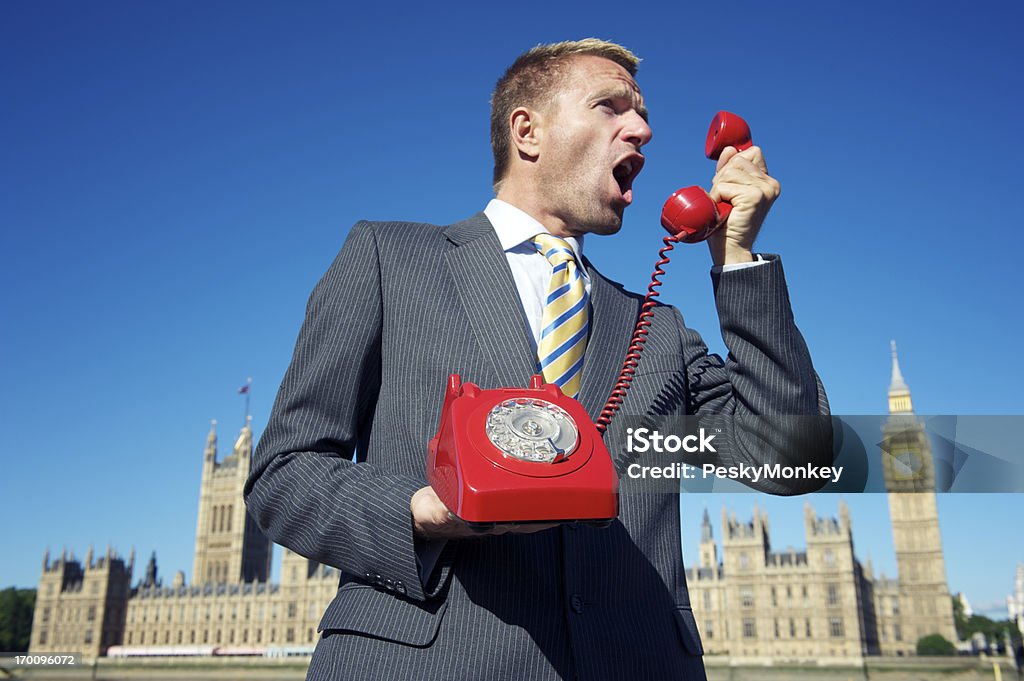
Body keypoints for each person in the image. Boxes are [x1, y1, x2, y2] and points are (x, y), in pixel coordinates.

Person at [244, 38, 830, 680]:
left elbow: (793, 458)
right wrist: (423, 510)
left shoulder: (659, 330)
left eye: (640, 115)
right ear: (529, 132)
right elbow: (284, 475)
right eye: (611, 107)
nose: (643, 128)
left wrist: (737, 257)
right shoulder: (389, 260)